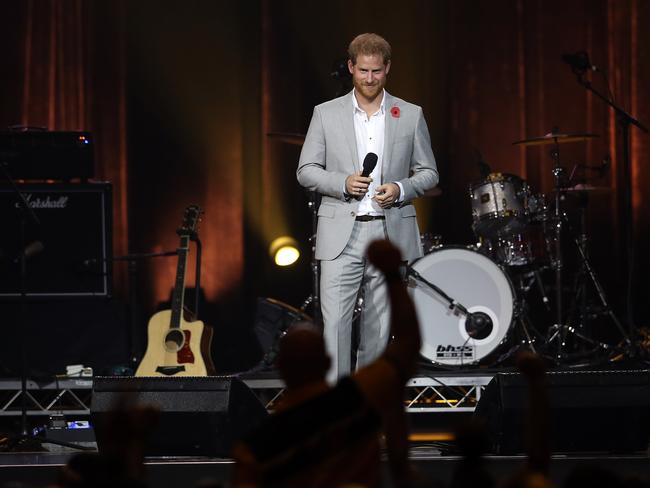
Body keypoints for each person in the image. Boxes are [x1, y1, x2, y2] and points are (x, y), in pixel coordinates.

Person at [296, 32, 438, 381]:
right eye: (363, 71)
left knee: (379, 330)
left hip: (389, 232)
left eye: (376, 71)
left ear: (387, 68)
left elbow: (429, 173)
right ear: (350, 68)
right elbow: (305, 170)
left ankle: (368, 411)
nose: (369, 79)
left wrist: (401, 188)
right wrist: (342, 182)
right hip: (341, 232)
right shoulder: (325, 114)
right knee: (335, 329)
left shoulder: (409, 114)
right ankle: (335, 416)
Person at [232, 239, 421, 488]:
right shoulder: (359, 399)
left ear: (280, 368)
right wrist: (392, 278)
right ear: (327, 361)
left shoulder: (254, 448)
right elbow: (407, 345)